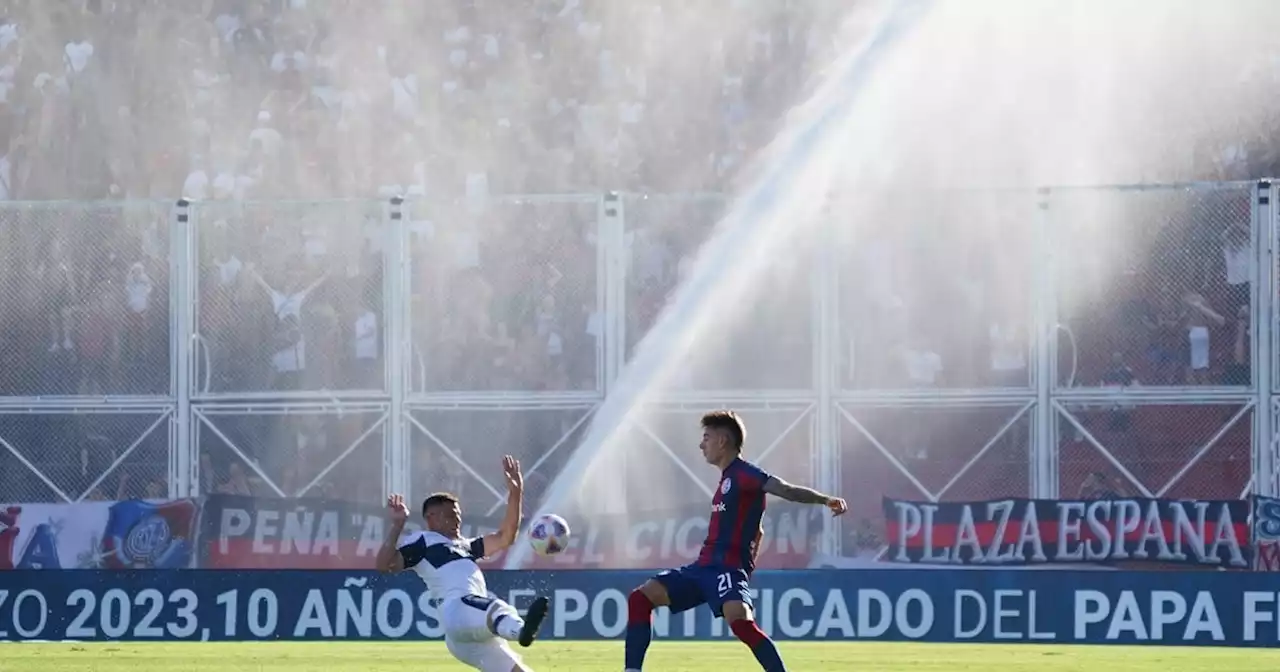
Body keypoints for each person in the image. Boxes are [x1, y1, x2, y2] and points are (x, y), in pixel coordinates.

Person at [623, 410, 847, 672]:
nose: (701, 444)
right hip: (702, 567)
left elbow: (784, 489)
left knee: (740, 622)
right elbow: (758, 531)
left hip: (726, 568)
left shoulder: (745, 473)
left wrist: (825, 500)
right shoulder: (726, 479)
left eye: (706, 437)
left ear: (722, 441)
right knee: (639, 599)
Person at [377, 455, 549, 672]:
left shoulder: (466, 546)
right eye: (450, 515)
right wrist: (397, 525)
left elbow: (506, 537)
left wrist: (516, 494)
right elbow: (384, 565)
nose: (457, 520)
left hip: (469, 632)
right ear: (431, 517)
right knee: (496, 607)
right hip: (458, 611)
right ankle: (521, 631)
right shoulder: (422, 541)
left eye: (458, 515)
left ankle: (518, 630)